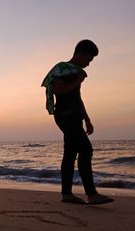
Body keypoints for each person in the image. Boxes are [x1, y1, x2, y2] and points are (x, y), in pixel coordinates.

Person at [41, 39, 114, 204]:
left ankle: (67, 194)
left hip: (74, 115)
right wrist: (78, 81)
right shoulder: (63, 68)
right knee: (86, 150)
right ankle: (91, 194)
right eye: (89, 59)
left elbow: (77, 98)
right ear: (81, 54)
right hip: (65, 115)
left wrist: (87, 119)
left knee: (70, 153)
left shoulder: (76, 71)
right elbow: (58, 91)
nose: (89, 64)